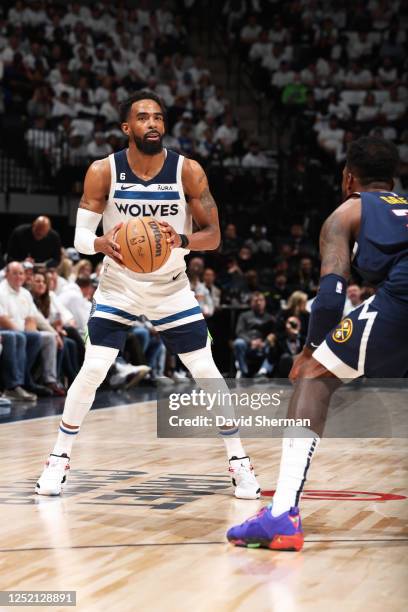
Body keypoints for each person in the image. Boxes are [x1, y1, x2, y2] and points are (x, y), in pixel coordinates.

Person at [36, 91, 260, 500]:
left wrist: (184, 238)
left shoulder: (187, 171)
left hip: (171, 288)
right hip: (119, 285)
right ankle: (58, 458)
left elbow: (215, 236)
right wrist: (101, 244)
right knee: (94, 367)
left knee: (207, 370)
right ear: (127, 128)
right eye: (143, 117)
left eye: (158, 117)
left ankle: (238, 460)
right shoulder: (103, 171)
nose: (152, 123)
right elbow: (82, 237)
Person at [227, 136, 408, 550]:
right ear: (393, 180)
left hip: (402, 296)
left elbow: (330, 297)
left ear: (348, 178)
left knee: (312, 378)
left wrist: (309, 351)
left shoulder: (347, 211)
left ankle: (282, 514)